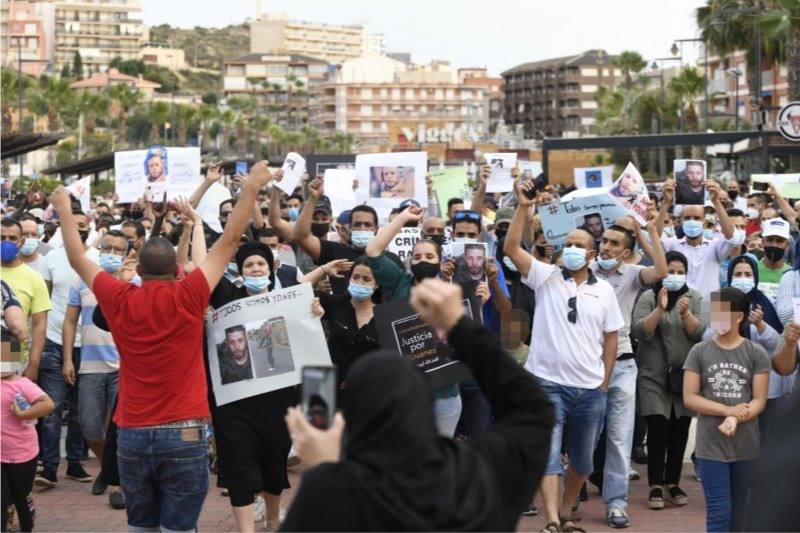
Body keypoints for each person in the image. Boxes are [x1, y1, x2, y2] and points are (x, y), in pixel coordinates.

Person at [49, 161, 272, 531]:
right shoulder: (190, 293)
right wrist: (250, 189)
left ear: (140, 270)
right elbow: (231, 241)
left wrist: (62, 210)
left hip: (133, 430)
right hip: (185, 430)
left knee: (141, 523)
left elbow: (76, 257)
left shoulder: (118, 295)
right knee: (180, 526)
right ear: (175, 270)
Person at [281, 278, 555, 531]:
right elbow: (533, 409)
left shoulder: (336, 492)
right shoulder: (479, 472)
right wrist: (461, 328)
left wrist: (324, 469)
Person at [505, 180, 625, 532]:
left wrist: (604, 380)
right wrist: (524, 208)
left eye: (580, 245)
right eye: (568, 244)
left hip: (589, 390)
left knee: (584, 462)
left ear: (592, 255)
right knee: (548, 456)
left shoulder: (604, 291)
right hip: (547, 384)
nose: (571, 249)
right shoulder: (546, 277)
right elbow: (512, 247)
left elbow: (612, 337)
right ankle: (554, 521)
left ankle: (568, 508)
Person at [208, 241, 325, 532]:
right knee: (238, 464)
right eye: (249, 265)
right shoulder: (227, 299)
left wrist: (313, 315)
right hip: (234, 405)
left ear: (272, 267)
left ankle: (273, 520)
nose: (255, 269)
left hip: (278, 402)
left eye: (260, 264)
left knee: (273, 463)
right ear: (240, 270)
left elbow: (305, 344)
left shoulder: (288, 302)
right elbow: (203, 266)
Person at [365, 206, 480, 437]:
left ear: (440, 261)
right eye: (417, 256)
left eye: (429, 256)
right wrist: (403, 218)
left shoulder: (454, 291)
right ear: (410, 261)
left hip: (445, 397)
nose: (423, 260)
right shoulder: (400, 282)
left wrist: (480, 303)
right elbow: (373, 250)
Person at [587, 220, 667, 528]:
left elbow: (660, 271)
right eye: (604, 240)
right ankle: (575, 489)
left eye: (614, 243)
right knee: (585, 437)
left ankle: (616, 502)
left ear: (626, 252)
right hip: (586, 366)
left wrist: (653, 232)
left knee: (620, 439)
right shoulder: (583, 270)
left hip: (622, 365)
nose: (606, 246)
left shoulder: (634, 275)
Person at [682, 287, 770, 533]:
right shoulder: (699, 351)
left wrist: (736, 415)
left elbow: (759, 399)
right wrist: (727, 411)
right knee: (719, 513)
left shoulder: (755, 353)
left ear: (738, 316)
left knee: (740, 512)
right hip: (711, 447)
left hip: (746, 447)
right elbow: (690, 397)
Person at [62, 230, 134, 506]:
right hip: (90, 366)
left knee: (117, 428)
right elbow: (70, 322)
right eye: (108, 248)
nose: (113, 254)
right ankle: (108, 468)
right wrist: (68, 358)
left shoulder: (134, 282)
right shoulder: (82, 280)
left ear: (126, 253)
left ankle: (115, 480)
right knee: (90, 426)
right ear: (99, 249)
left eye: (119, 250)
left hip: (123, 366)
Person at [631, 251, 705, 511]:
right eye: (669, 271)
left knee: (680, 429)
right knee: (658, 427)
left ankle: (673, 482)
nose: (674, 276)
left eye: (679, 271)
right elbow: (638, 330)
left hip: (685, 375)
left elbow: (700, 333)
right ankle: (655, 484)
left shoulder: (695, 298)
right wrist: (660, 310)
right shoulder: (648, 297)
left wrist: (685, 315)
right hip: (653, 374)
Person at [293, 176, 402, 295]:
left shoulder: (390, 260)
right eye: (357, 224)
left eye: (368, 224)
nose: (362, 228)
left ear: (376, 229)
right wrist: (313, 198)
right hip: (342, 311)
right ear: (350, 228)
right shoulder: (335, 252)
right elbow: (300, 237)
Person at [659, 179, 735, 300]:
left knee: (721, 320)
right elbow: (655, 236)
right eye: (688, 218)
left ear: (704, 223)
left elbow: (731, 236)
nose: (692, 221)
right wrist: (665, 202)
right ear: (680, 222)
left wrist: (716, 201)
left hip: (711, 306)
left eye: (697, 218)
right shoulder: (672, 245)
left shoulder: (715, 246)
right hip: (678, 305)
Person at [1, 368, 55, 533]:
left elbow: (48, 404)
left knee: (21, 498)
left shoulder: (22, 384)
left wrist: (23, 414)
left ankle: (26, 528)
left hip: (22, 453)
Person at [316, 257, 381, 389]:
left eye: (366, 279)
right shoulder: (335, 304)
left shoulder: (384, 315)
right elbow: (297, 288)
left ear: (376, 284)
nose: (359, 283)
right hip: (332, 389)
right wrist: (324, 269)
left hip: (369, 392)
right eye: (355, 277)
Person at [757, 218, 791, 302]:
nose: (774, 245)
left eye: (780, 241)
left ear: (787, 245)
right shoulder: (751, 270)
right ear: (763, 242)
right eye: (770, 240)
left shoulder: (792, 274)